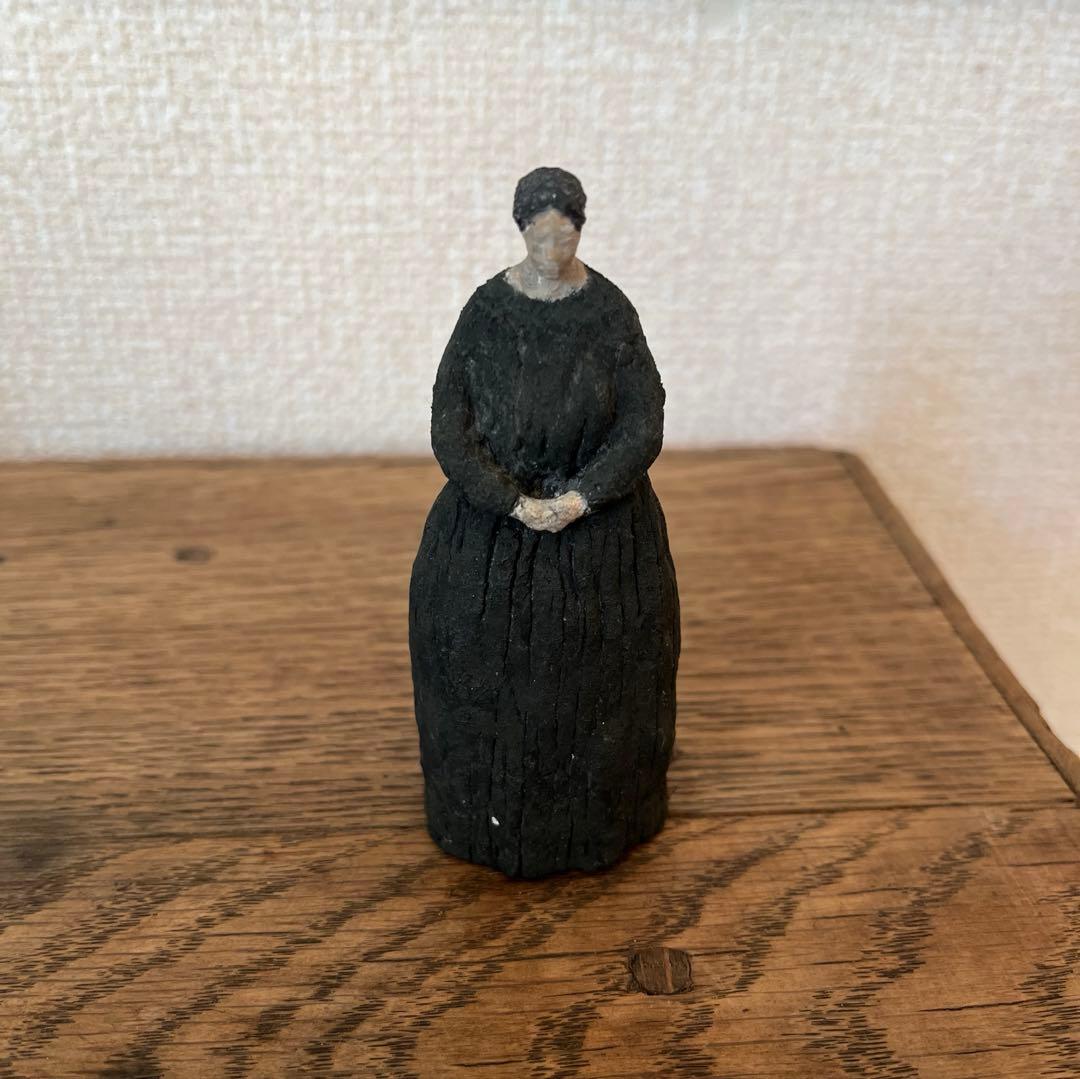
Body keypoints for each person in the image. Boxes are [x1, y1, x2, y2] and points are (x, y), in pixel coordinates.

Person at [409, 166, 680, 878]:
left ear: (580, 231)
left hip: (602, 538)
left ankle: (601, 816)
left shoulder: (609, 312)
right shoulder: (487, 312)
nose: (552, 249)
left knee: (601, 680)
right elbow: (449, 421)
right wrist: (508, 500)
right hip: (487, 536)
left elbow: (643, 419)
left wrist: (581, 498)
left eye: (564, 236)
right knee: (480, 671)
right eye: (540, 236)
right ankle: (481, 813)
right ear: (520, 230)